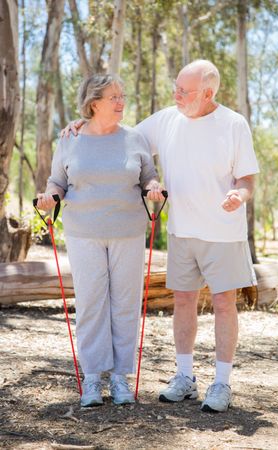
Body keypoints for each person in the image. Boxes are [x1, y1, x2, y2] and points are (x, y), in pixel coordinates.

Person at [62, 59, 259, 413]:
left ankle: (222, 383)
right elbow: (115, 136)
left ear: (208, 93)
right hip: (181, 231)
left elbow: (246, 180)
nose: (176, 94)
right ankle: (184, 377)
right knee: (183, 302)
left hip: (223, 234)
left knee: (224, 304)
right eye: (176, 87)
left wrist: (238, 196)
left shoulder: (233, 124)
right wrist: (82, 123)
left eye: (184, 91)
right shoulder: (167, 119)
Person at [37, 73, 164, 407]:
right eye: (114, 97)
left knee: (125, 303)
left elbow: (148, 176)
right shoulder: (70, 138)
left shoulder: (134, 138)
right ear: (94, 103)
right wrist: (50, 196)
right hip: (83, 233)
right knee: (92, 303)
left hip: (129, 232)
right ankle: (92, 378)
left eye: (123, 95)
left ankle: (121, 378)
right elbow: (57, 181)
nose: (121, 102)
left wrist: (152, 188)